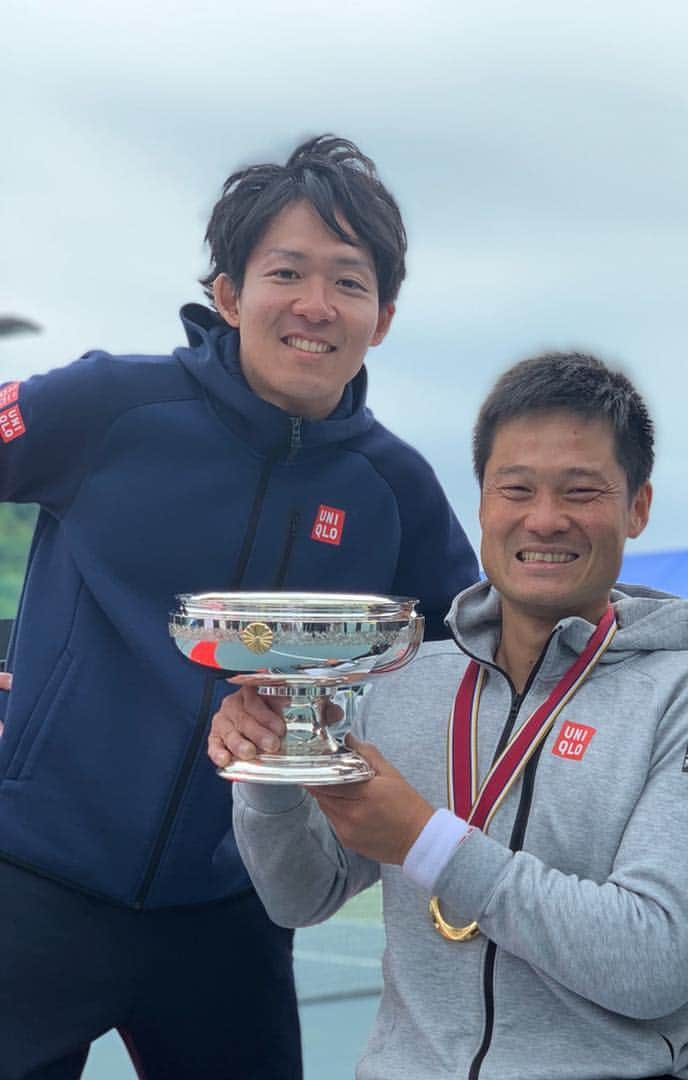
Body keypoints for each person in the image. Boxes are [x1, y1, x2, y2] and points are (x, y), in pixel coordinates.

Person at [0, 135, 478, 1079]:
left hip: (234, 909)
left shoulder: (396, 490)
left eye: (348, 281)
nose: (314, 305)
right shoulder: (112, 408)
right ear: (228, 294)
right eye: (286, 271)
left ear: (381, 317)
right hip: (33, 883)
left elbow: (484, 653)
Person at [211, 352, 688, 1080]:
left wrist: (424, 839)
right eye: (517, 488)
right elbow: (300, 896)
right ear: (482, 503)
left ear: (638, 505)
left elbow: (654, 961)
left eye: (581, 490)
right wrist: (271, 776)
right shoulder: (405, 680)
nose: (545, 518)